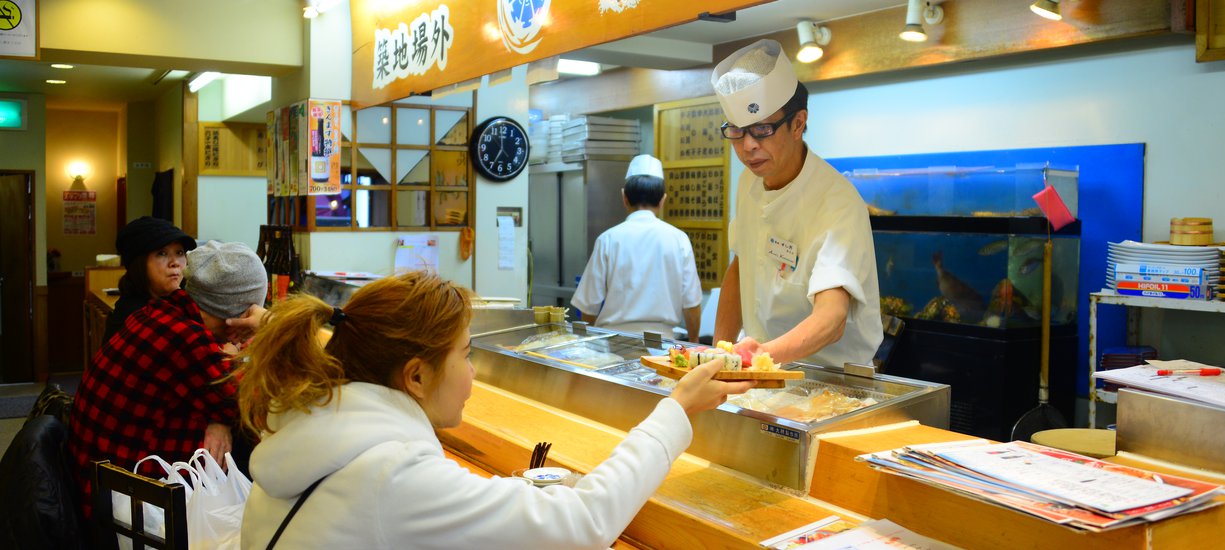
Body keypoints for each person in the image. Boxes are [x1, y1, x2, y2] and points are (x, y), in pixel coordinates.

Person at [237, 271, 751, 549]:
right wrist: (677, 409)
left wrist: (508, 495)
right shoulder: (391, 474)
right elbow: (585, 523)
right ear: (416, 376)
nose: (473, 373)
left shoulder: (318, 427)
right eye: (465, 354)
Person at [710, 39, 883, 368]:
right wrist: (720, 352)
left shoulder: (838, 202)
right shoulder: (749, 182)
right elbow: (740, 266)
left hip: (831, 381)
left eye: (762, 129)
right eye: (736, 130)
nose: (748, 146)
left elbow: (831, 320)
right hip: (763, 372)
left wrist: (754, 359)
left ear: (798, 123)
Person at [67, 240, 268, 518]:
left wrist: (219, 414)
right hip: (128, 509)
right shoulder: (186, 339)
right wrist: (269, 329)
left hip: (104, 482)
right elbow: (259, 406)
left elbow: (221, 394)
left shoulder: (161, 312)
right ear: (240, 316)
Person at [570, 154, 702, 339]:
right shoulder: (679, 239)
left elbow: (588, 305)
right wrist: (693, 343)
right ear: (663, 201)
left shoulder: (608, 239)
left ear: (624, 197)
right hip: (663, 348)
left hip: (613, 343)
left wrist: (589, 342)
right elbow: (692, 306)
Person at [103, 216, 197, 343]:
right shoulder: (138, 317)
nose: (175, 262)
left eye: (179, 253)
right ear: (138, 264)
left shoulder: (177, 301)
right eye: (162, 253)